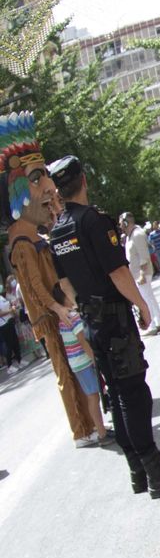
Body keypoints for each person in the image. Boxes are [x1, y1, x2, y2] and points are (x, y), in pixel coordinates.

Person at [47, 155, 160, 496]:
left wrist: (87, 306)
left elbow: (66, 286)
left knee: (116, 395)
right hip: (114, 320)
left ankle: (138, 471)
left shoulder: (57, 232)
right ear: (84, 180)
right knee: (134, 393)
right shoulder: (94, 222)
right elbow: (119, 273)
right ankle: (156, 472)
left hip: (91, 319)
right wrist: (142, 304)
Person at [1, 119, 100, 445]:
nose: (49, 187)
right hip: (49, 315)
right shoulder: (22, 244)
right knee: (66, 373)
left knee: (78, 370)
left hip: (59, 309)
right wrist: (56, 308)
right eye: (35, 178)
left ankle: (92, 422)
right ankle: (81, 429)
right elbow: (32, 286)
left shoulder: (37, 235)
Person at [51, 290, 110, 444]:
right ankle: (102, 433)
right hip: (84, 362)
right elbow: (83, 341)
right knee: (93, 396)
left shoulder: (64, 317)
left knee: (93, 395)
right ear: (64, 297)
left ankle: (101, 428)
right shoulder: (72, 316)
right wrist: (95, 360)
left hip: (78, 363)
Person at [120, 212, 160, 334]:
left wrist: (142, 273)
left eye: (121, 224)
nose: (120, 227)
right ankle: (159, 323)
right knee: (149, 298)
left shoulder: (137, 235)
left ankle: (151, 326)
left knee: (146, 299)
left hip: (142, 274)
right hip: (137, 274)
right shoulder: (131, 236)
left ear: (126, 222)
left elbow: (144, 256)